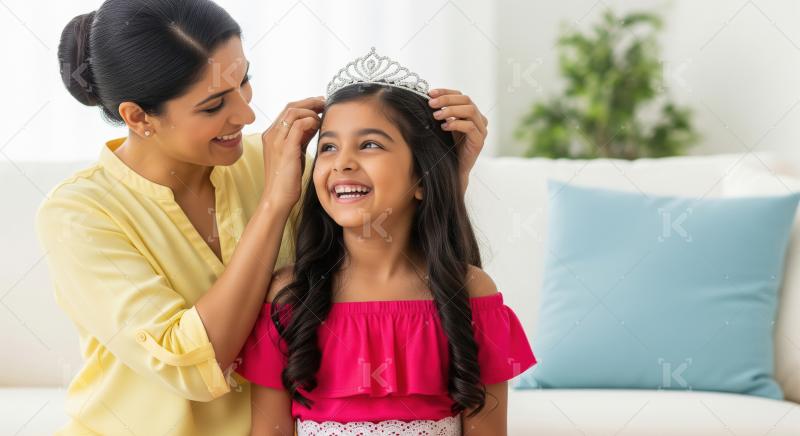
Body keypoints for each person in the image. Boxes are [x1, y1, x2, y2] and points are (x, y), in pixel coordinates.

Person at [37, 3, 490, 435]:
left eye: (244, 81)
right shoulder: (78, 214)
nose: (247, 113)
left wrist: (444, 172)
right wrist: (274, 204)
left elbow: (390, 250)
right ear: (139, 118)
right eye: (213, 105)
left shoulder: (276, 161)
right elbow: (192, 365)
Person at [237, 48, 535, 436]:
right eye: (328, 146)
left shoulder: (470, 291)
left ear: (423, 179)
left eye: (370, 144)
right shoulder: (290, 297)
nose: (341, 162)